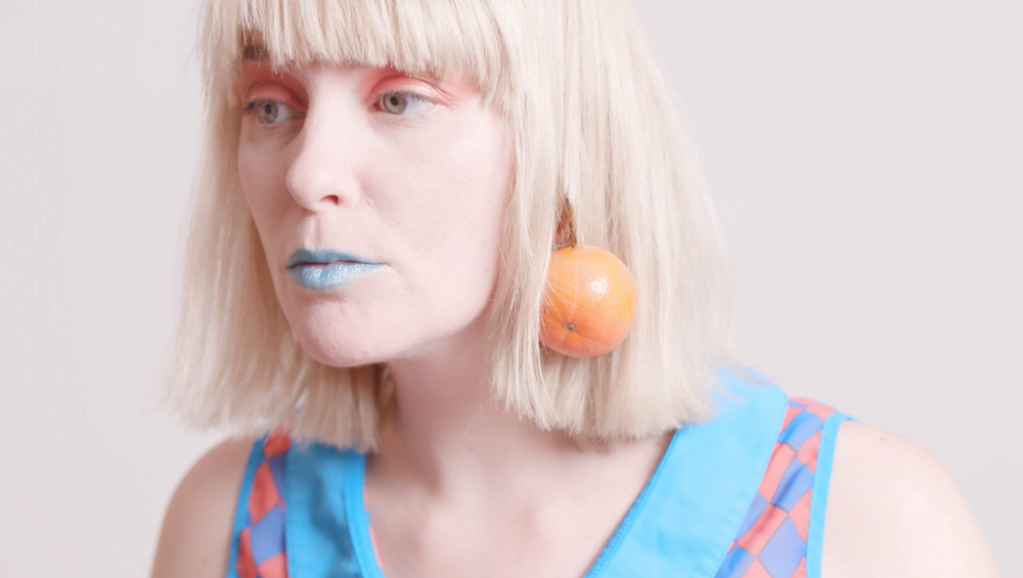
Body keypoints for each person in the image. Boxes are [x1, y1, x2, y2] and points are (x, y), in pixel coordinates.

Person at [150, 0, 1000, 576]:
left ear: (565, 144)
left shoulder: (865, 526)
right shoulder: (227, 525)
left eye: (400, 99)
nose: (307, 173)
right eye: (270, 106)